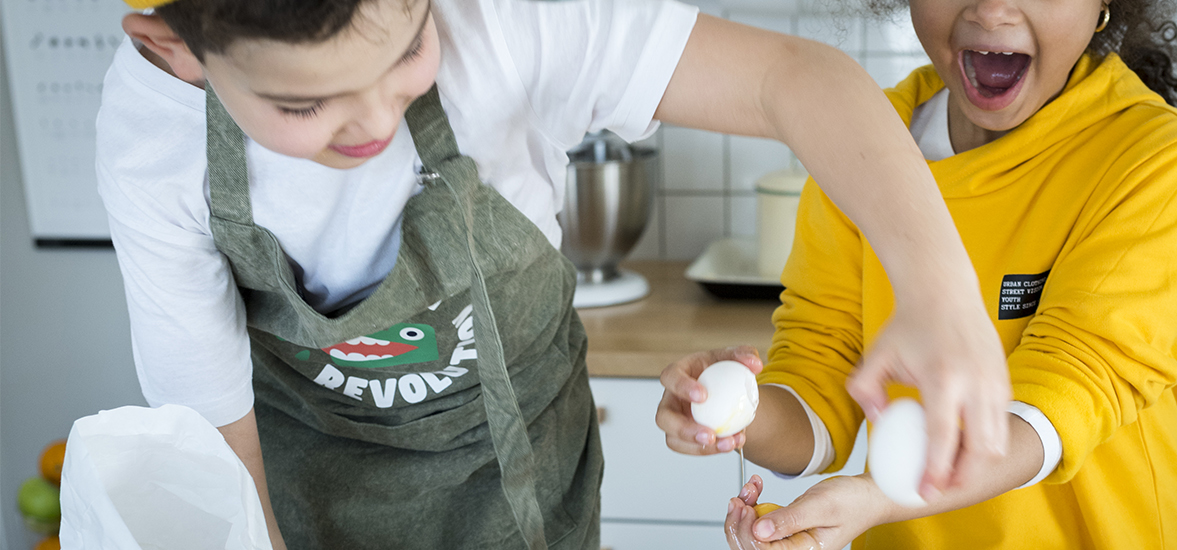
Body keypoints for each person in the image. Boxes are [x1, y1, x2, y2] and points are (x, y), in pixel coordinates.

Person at [97, 0, 1017, 548]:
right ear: (170, 46)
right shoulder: (155, 140)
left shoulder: (504, 19)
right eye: (304, 103)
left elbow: (795, 77)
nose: (376, 120)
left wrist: (941, 295)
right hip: (307, 497)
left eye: (408, 49)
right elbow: (207, 422)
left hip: (526, 484)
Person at [654, 0, 1177, 547]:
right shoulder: (857, 140)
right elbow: (821, 375)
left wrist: (880, 497)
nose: (991, 10)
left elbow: (1068, 394)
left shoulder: (1164, 161)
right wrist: (739, 412)